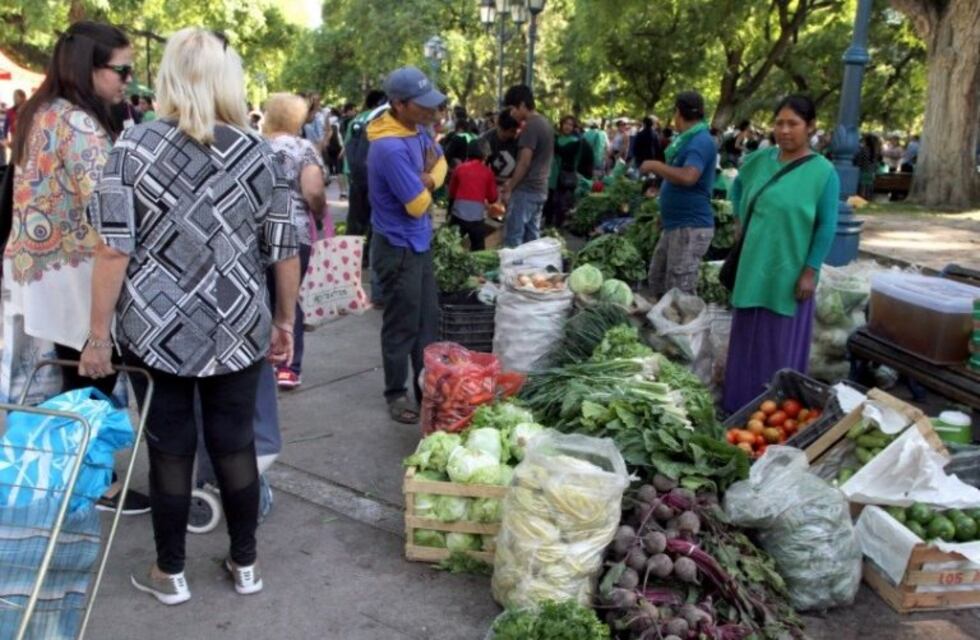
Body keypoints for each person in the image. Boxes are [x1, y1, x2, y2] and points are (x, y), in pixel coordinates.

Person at [82, 28, 300, 604]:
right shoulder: (262, 153)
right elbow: (284, 248)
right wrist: (283, 322)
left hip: (157, 332)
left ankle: (170, 573)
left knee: (170, 448)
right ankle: (245, 563)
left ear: (168, 79)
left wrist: (97, 336)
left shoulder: (131, 150)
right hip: (237, 327)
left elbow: (112, 249)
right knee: (235, 444)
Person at [4, 22, 151, 514]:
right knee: (92, 379)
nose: (127, 80)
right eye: (121, 70)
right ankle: (98, 485)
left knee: (71, 382)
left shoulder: (40, 111)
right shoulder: (79, 124)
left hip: (42, 269)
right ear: (88, 69)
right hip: (74, 273)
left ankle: (73, 477)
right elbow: (110, 205)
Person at [721, 95, 839, 414]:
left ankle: (774, 411)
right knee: (746, 339)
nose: (784, 130)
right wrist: (738, 221)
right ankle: (736, 408)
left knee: (779, 343)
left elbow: (827, 225)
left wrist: (810, 270)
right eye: (779, 123)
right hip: (752, 265)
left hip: (789, 272)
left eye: (793, 124)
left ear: (811, 127)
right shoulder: (760, 161)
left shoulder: (823, 172)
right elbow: (737, 188)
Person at [366, 66, 447, 424]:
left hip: (419, 242)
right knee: (402, 325)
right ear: (399, 104)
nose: (432, 111)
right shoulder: (388, 148)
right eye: (423, 105)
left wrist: (427, 177)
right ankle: (396, 393)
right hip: (397, 248)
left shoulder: (417, 130)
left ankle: (424, 389)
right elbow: (415, 204)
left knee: (427, 322)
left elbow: (442, 163)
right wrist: (430, 183)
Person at [263, 93, 327, 390]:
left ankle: (258, 363)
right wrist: (319, 213)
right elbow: (313, 191)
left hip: (256, 235)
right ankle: (287, 366)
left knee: (262, 297)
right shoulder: (304, 149)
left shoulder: (253, 144)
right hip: (294, 233)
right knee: (290, 299)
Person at [639, 91, 717, 296]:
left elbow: (689, 176)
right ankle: (665, 324)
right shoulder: (687, 140)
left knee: (679, 291)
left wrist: (655, 165)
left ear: (678, 113)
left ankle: (682, 328)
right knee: (656, 277)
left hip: (690, 227)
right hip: (676, 225)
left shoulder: (700, 141)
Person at [500, 84, 553, 247]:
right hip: (540, 190)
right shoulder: (545, 123)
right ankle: (530, 271)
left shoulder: (530, 126)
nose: (511, 113)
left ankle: (513, 272)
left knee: (513, 239)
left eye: (512, 109)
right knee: (532, 240)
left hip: (526, 191)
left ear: (522, 105)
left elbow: (524, 162)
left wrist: (510, 186)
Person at [448, 138, 498, 251]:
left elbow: (451, 193)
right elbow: (492, 198)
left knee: (450, 244)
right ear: (485, 156)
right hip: (476, 219)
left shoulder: (459, 168)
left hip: (458, 217)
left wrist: (449, 212)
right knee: (478, 247)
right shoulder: (488, 172)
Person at [546, 114, 590, 229]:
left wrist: (553, 140)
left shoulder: (575, 142)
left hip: (564, 177)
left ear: (574, 127)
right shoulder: (556, 138)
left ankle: (557, 228)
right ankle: (547, 225)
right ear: (561, 125)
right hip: (551, 175)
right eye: (566, 124)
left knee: (561, 204)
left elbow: (563, 151)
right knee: (549, 202)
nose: (568, 127)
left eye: (571, 125)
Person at [481, 110, 520, 187]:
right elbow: (480, 169)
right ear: (500, 128)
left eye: (516, 131)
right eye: (512, 131)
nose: (514, 134)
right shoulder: (486, 140)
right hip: (493, 187)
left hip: (515, 187)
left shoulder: (518, 139)